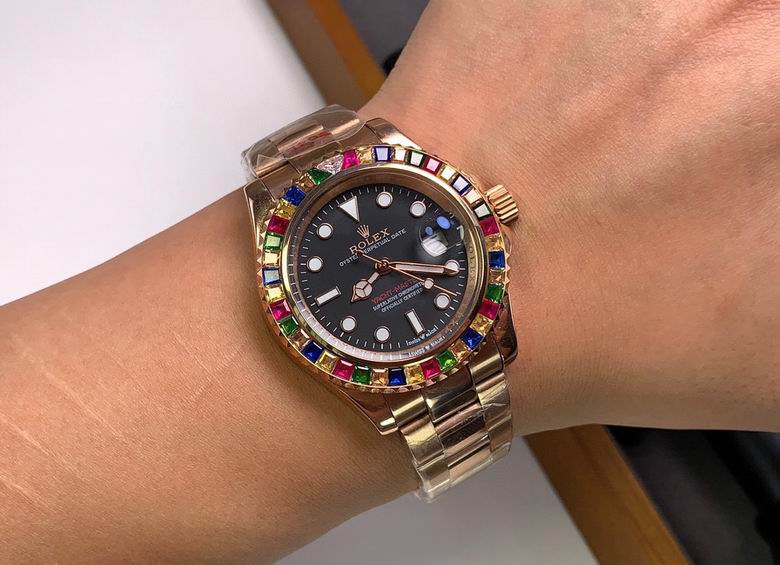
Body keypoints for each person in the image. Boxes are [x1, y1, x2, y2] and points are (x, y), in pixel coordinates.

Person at [1, 1, 778, 562]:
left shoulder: (451, 242)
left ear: (487, 214)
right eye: (377, 263)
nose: (382, 263)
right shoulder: (308, 280)